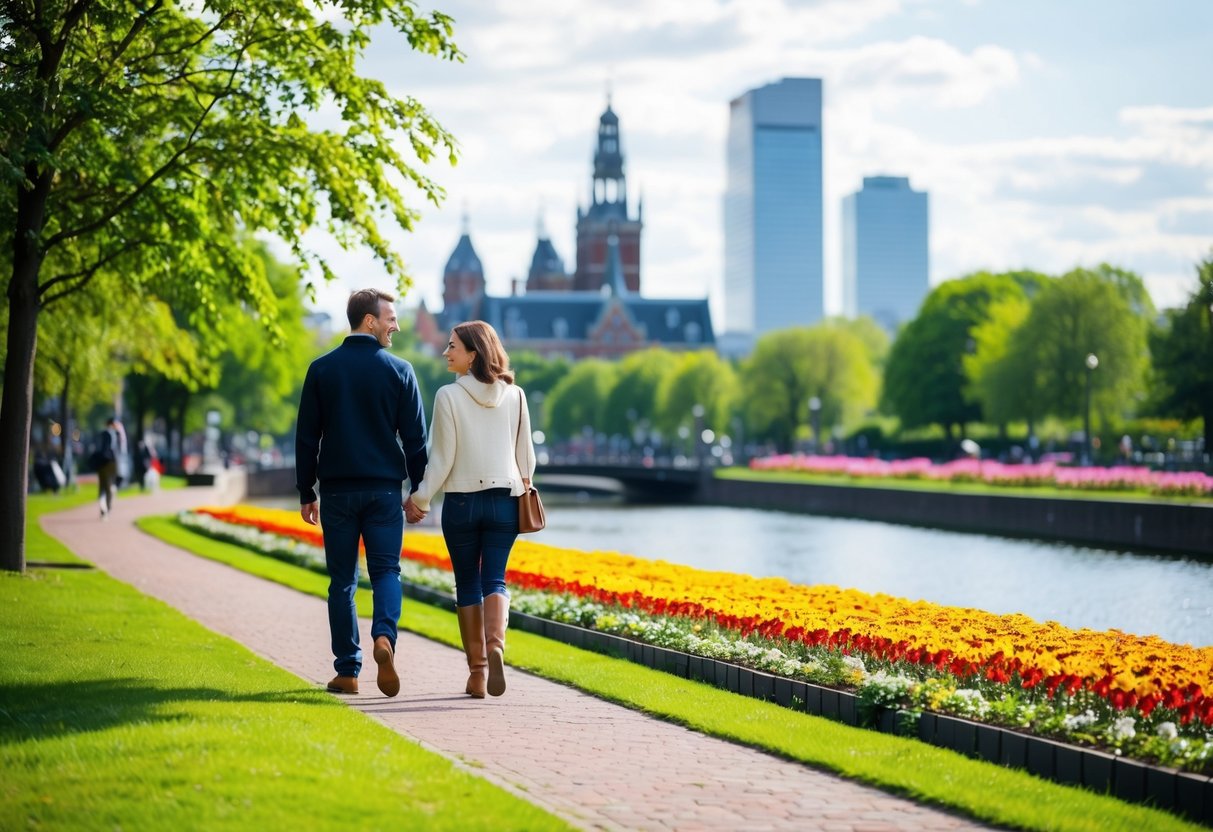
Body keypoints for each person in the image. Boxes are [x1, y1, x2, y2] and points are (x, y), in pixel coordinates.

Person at [295, 289, 429, 698]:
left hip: (337, 493)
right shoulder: (401, 370)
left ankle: (348, 671)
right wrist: (418, 491)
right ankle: (384, 637)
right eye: (390, 318)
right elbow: (415, 441)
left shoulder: (321, 369)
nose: (397, 325)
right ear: (369, 321)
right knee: (387, 571)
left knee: (342, 582)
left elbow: (306, 438)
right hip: (384, 493)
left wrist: (307, 490)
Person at [406, 320, 536, 698]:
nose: (446, 352)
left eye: (452, 347)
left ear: (473, 354)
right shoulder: (517, 396)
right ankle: (496, 646)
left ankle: (478, 673)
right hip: (505, 501)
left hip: (462, 502)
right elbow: (526, 458)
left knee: (466, 583)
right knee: (495, 579)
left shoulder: (449, 396)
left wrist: (420, 500)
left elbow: (442, 459)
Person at [94, 416, 127, 519]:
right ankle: (107, 509)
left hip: (100, 463)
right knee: (109, 487)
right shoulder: (116, 434)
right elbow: (122, 449)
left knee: (102, 487)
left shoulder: (101, 434)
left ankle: (103, 508)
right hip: (111, 463)